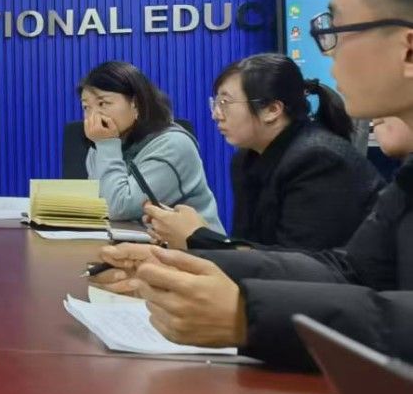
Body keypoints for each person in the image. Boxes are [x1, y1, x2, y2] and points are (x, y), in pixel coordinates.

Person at [91, 0, 413, 369]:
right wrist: (180, 264)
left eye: (337, 29)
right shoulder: (402, 179)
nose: (328, 50)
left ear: (408, 49)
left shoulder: (319, 158)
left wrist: (248, 313)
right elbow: (348, 270)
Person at [143, 53, 383, 251]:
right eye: (215, 103)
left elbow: (298, 265)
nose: (216, 114)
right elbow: (249, 247)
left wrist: (199, 238)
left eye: (225, 103)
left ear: (272, 110)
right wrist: (180, 234)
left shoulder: (319, 159)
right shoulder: (245, 159)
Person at [78, 61, 223, 234]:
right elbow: (99, 206)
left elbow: (118, 208)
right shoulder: (103, 145)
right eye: (86, 107)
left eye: (103, 104)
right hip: (142, 242)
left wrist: (106, 145)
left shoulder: (173, 145)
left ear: (135, 103)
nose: (93, 116)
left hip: (197, 247)